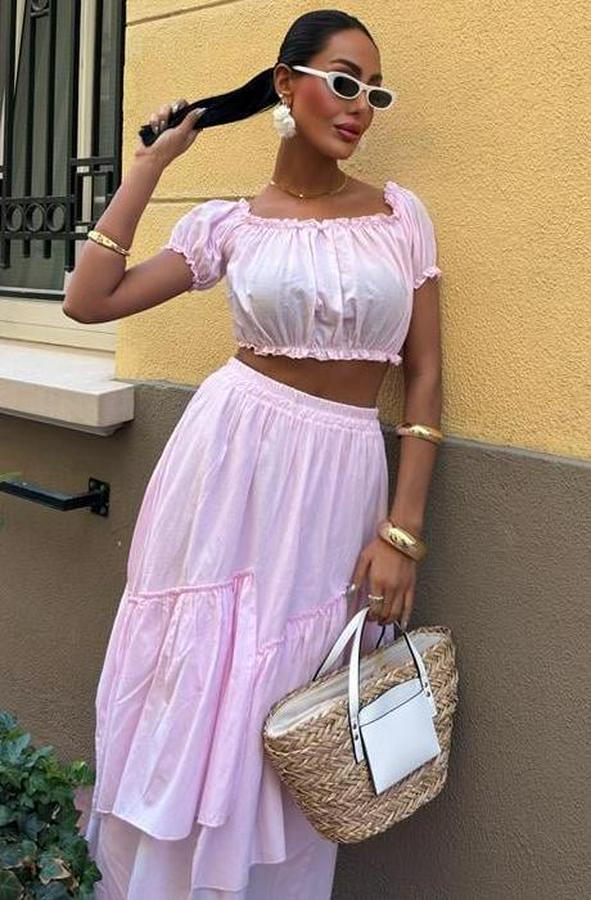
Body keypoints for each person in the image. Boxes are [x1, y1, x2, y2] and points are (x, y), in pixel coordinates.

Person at [64, 9, 443, 899]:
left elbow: (424, 380)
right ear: (286, 83)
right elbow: (88, 300)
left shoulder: (399, 216)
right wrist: (151, 166)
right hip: (225, 463)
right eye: (342, 81)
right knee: (200, 676)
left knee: (294, 693)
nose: (359, 106)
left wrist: (402, 531)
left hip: (339, 476)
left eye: (373, 92)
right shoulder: (229, 224)